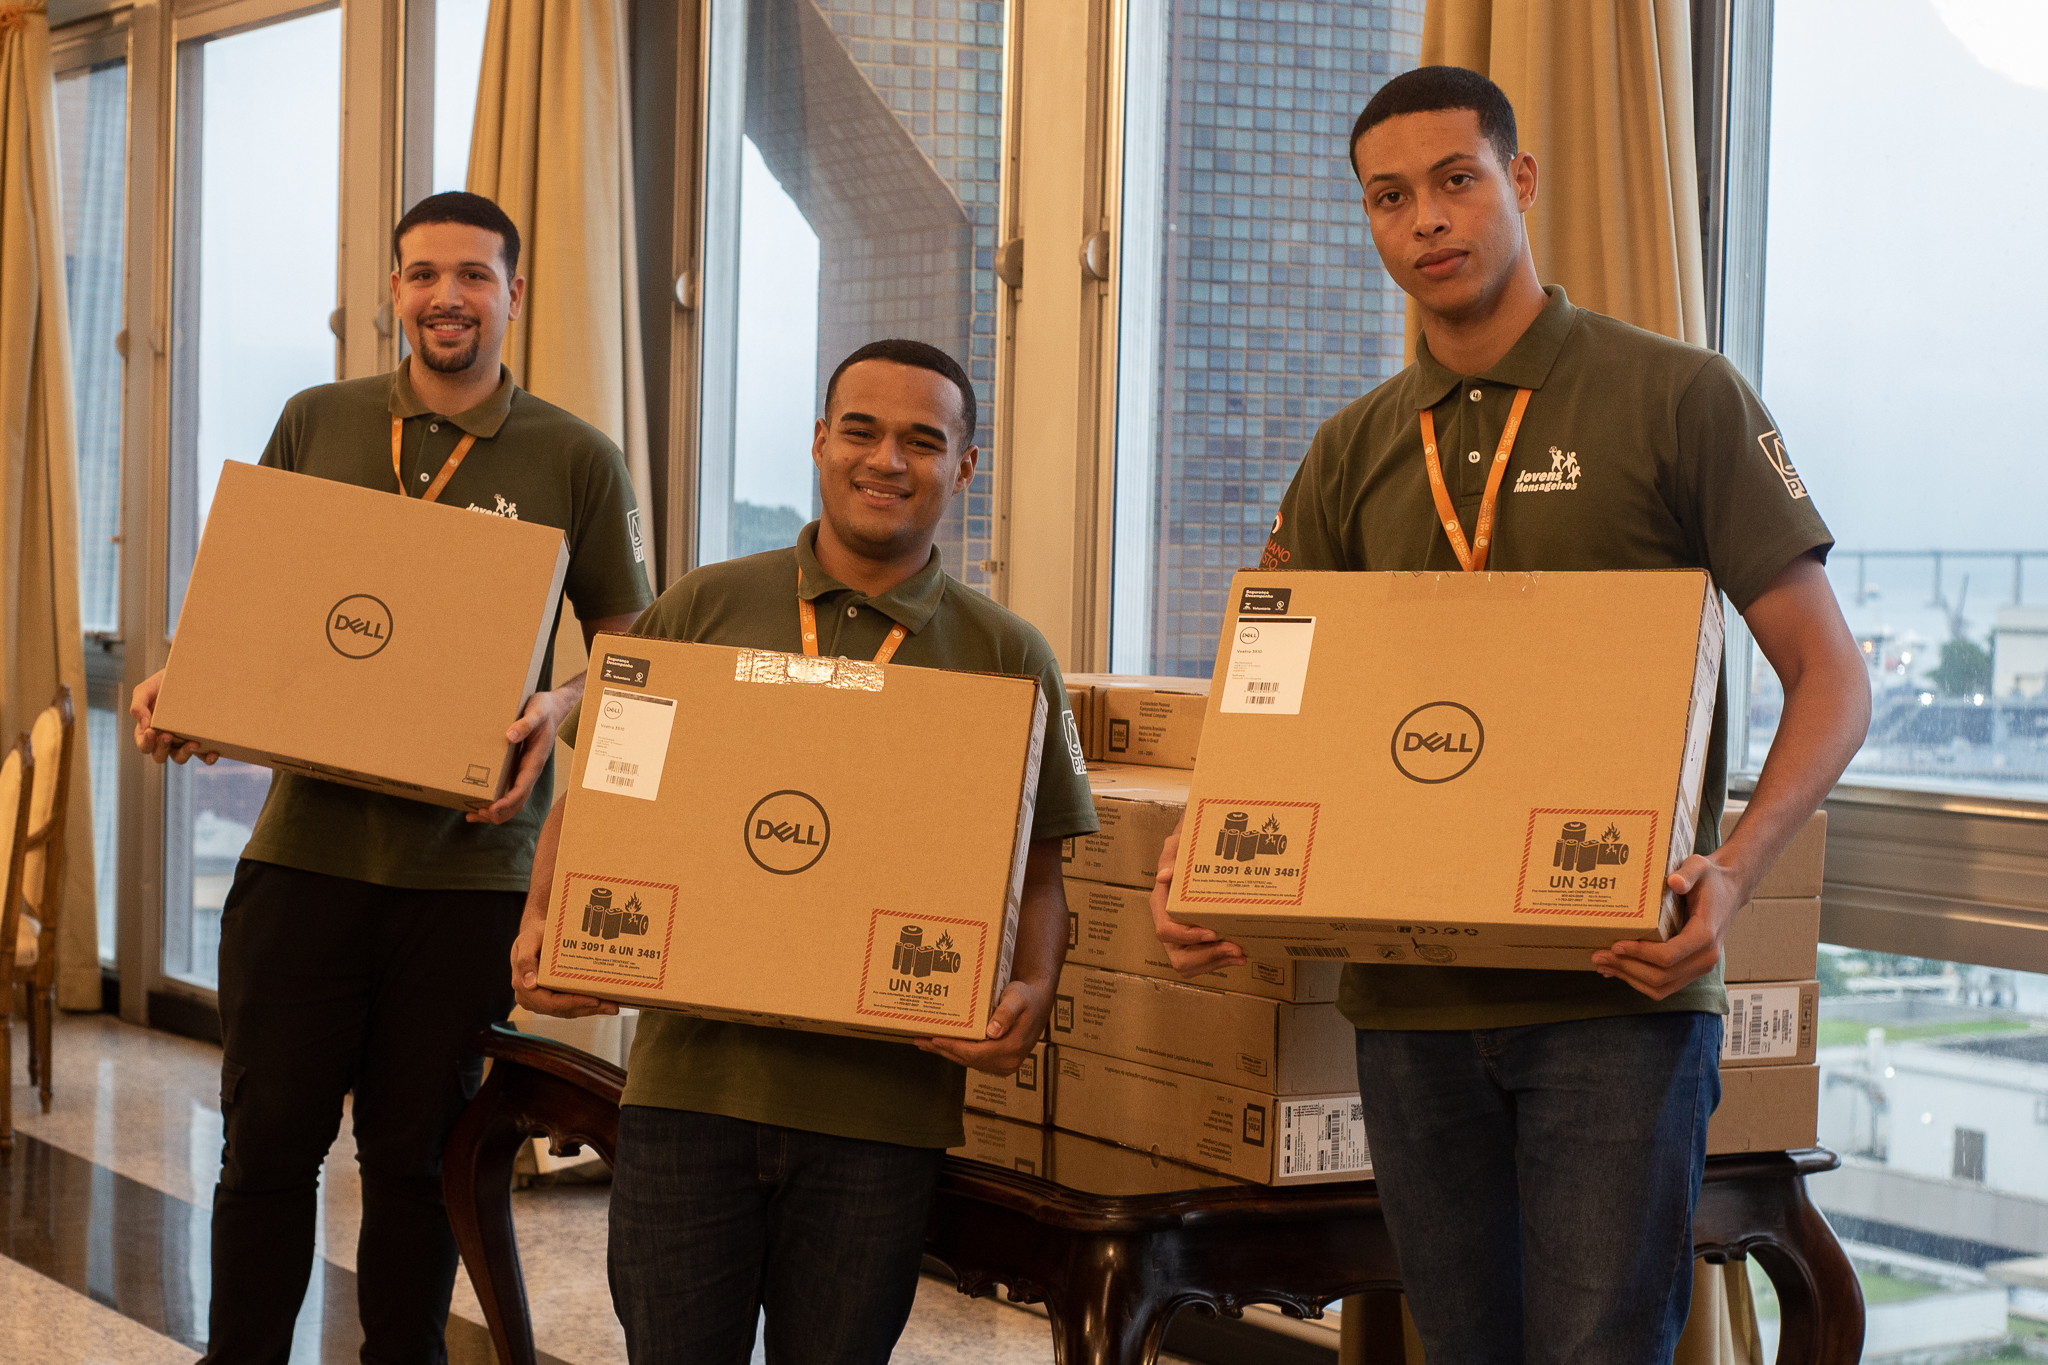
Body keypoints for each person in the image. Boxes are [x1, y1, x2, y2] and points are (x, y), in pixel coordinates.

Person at [1149, 67, 1870, 1365]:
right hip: (1408, 1003)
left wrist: (1734, 871)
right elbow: (1274, 695)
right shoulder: (1352, 447)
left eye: (1454, 181)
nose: (1424, 219)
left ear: (1519, 182)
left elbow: (1830, 677)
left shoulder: (1677, 397)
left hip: (1617, 992)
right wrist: (1203, 855)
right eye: (1388, 197)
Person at [130, 191, 656, 1364]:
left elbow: (636, 645)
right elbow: (248, 604)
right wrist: (184, 680)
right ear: (394, 291)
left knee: (416, 1163)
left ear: (513, 294)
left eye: (472, 276)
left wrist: (559, 706)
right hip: (304, 858)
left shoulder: (575, 456)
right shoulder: (317, 421)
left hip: (469, 871)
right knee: (265, 1151)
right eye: (423, 274)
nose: (445, 297)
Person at [513, 337, 1096, 1364]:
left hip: (880, 1111)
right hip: (691, 1090)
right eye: (861, 431)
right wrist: (542, 921)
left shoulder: (1007, 655)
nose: (887, 460)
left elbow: (1039, 872)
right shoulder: (701, 609)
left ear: (965, 466)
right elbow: (604, 790)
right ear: (821, 441)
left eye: (923, 441)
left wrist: (1035, 990)